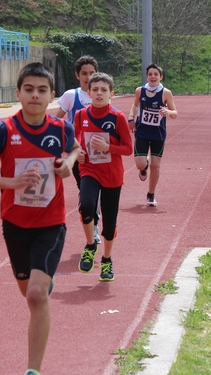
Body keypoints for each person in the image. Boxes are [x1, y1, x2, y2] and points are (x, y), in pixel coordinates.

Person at [0, 62, 79, 375]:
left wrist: (68, 165)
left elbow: (73, 151)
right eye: (28, 89)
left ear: (51, 95)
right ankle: (40, 285)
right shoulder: (4, 130)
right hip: (14, 224)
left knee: (36, 296)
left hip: (51, 222)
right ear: (18, 93)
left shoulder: (61, 129)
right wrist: (9, 182)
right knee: (28, 293)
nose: (35, 95)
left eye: (42, 90)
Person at [74, 72, 133, 282]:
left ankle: (107, 259)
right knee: (86, 206)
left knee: (110, 223)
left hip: (112, 174)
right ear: (88, 92)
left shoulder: (117, 118)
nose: (99, 93)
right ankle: (90, 245)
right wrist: (77, 152)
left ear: (111, 94)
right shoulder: (81, 115)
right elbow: (75, 137)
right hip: (90, 170)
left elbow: (128, 148)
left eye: (104, 90)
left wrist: (108, 147)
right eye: (95, 90)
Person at [54, 55, 101, 244]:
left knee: (96, 191)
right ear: (77, 75)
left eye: (91, 73)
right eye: (84, 73)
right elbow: (57, 122)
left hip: (98, 153)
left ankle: (94, 224)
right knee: (85, 189)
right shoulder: (71, 96)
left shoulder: (100, 94)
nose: (88, 77)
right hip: (78, 153)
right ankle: (93, 225)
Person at [128, 64, 177, 207]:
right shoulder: (140, 91)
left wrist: (168, 112)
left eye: (156, 74)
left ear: (161, 77)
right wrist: (131, 117)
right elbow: (135, 106)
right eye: (150, 74)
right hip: (142, 131)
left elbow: (175, 113)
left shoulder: (166, 93)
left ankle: (151, 194)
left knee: (156, 166)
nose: (153, 77)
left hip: (158, 134)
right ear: (147, 76)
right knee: (140, 164)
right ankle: (145, 165)